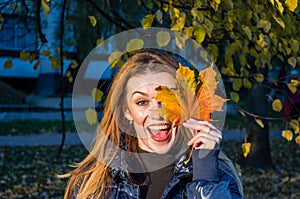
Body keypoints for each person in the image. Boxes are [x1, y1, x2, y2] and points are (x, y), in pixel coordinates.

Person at [62, 49, 244, 198]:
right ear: (126, 112)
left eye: (168, 99)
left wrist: (205, 172)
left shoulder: (218, 175)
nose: (157, 114)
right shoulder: (94, 181)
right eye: (142, 102)